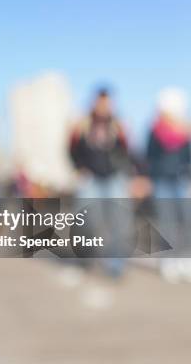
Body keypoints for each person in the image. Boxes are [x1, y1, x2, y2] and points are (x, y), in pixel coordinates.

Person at [70, 87, 133, 276]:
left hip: (114, 177)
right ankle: (86, 256)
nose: (104, 105)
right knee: (86, 219)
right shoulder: (82, 124)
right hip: (90, 178)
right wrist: (80, 168)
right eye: (100, 101)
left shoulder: (119, 125)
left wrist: (131, 175)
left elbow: (127, 151)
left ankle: (116, 264)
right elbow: (71, 149)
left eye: (107, 101)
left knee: (120, 220)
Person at [146, 87, 191, 283]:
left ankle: (188, 256)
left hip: (182, 180)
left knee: (189, 219)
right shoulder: (155, 130)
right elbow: (149, 156)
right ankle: (168, 260)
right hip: (161, 181)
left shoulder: (187, 130)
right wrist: (149, 178)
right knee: (166, 221)